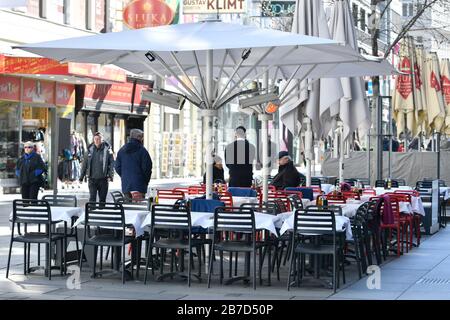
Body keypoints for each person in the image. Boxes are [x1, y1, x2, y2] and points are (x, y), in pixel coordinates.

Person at [115, 128, 152, 200]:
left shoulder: (122, 150)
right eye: (142, 137)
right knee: (139, 208)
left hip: (126, 185)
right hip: (140, 185)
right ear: (138, 137)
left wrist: (124, 176)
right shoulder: (142, 151)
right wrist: (145, 180)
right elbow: (147, 168)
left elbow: (117, 167)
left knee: (128, 208)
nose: (142, 139)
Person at [79, 132, 114, 203]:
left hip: (103, 179)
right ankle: (91, 212)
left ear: (102, 140)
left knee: (102, 199)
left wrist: (110, 175)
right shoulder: (89, 150)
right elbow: (84, 165)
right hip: (92, 179)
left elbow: (112, 164)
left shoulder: (107, 150)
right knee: (92, 198)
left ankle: (101, 212)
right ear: (93, 140)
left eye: (98, 139)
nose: (97, 141)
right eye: (95, 139)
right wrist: (81, 177)